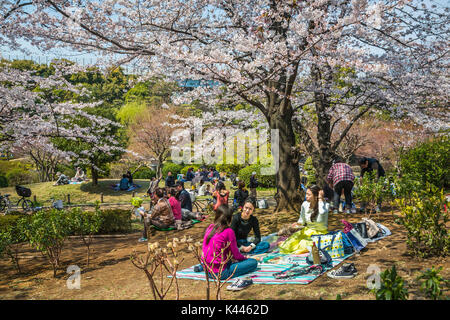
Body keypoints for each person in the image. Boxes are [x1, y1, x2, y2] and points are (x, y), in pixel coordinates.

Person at [194, 205, 258, 282]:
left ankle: (201, 267)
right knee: (253, 263)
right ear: (229, 218)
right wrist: (245, 259)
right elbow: (236, 255)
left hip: (208, 269)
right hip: (221, 272)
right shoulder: (229, 231)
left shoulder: (210, 227)